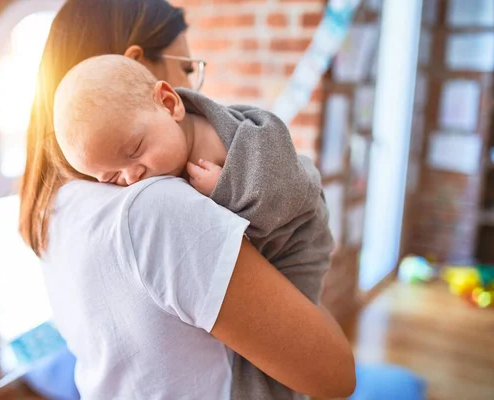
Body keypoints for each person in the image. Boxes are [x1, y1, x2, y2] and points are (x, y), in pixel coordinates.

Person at [19, 0, 355, 399]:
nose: (194, 89)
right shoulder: (155, 208)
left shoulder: (53, 207)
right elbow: (334, 376)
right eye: (186, 69)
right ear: (143, 70)